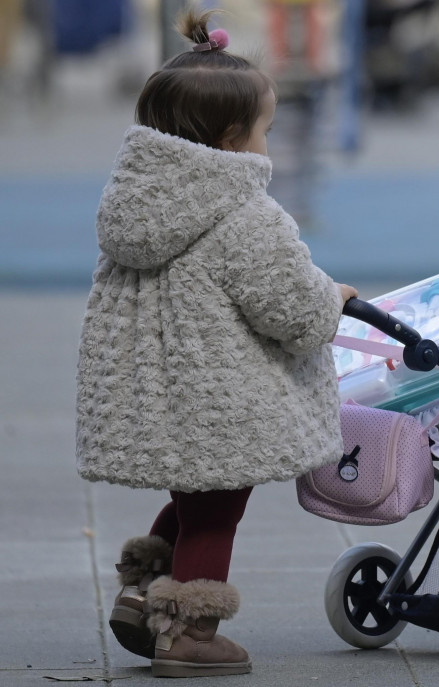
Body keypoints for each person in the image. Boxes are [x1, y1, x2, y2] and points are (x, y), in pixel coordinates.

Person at [75, 7, 357, 678]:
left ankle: (146, 592)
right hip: (219, 399)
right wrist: (333, 299)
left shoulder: (133, 200)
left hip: (161, 394)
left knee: (194, 495)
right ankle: (191, 629)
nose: (267, 144)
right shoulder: (244, 214)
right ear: (231, 140)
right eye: (265, 130)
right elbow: (290, 306)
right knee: (215, 512)